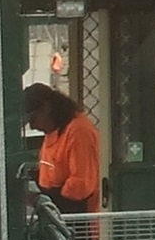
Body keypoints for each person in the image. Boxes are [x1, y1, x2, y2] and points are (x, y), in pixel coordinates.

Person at [22, 83, 102, 214]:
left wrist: (41, 198)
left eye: (33, 120)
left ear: (46, 108)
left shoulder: (78, 131)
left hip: (81, 217)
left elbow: (81, 186)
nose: (32, 127)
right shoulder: (54, 132)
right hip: (57, 210)